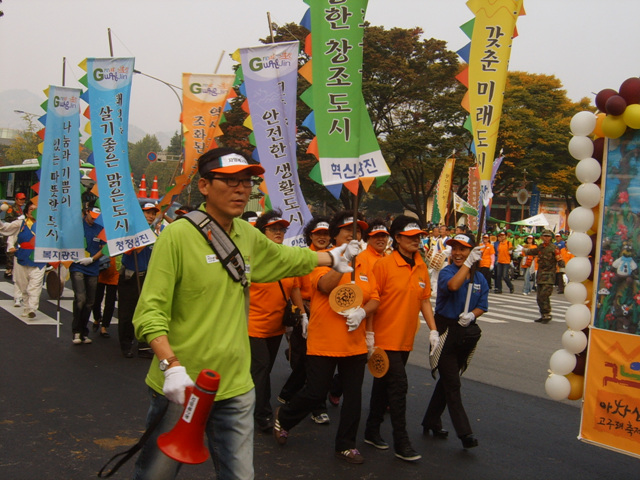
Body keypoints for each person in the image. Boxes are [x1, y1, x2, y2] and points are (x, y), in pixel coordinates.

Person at [131, 147, 355, 480]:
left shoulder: (247, 234)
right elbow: (149, 312)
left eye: (247, 182)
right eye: (231, 181)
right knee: (156, 473)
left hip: (235, 385)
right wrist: (171, 365)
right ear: (205, 185)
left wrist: (332, 257)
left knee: (240, 475)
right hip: (183, 384)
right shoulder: (177, 236)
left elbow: (283, 259)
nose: (241, 189)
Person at [273, 210, 379, 465]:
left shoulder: (364, 262)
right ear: (336, 235)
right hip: (325, 340)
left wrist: (363, 312)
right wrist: (343, 260)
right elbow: (323, 286)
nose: (355, 236)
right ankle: (285, 417)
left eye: (359, 233)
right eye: (349, 232)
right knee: (315, 392)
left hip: (353, 342)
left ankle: (346, 445)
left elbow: (375, 296)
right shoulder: (322, 259)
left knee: (353, 398)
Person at [364, 216, 439, 462]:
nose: (417, 240)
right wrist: (370, 335)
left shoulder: (420, 266)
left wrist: (433, 329)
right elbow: (373, 301)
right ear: (397, 239)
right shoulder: (383, 266)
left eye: (419, 236)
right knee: (398, 387)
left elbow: (424, 299)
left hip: (405, 338)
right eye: (411, 236)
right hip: (384, 339)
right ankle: (401, 441)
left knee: (383, 386)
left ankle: (371, 429)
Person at [422, 233, 488, 449]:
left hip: (464, 334)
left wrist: (472, 315)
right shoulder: (447, 271)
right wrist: (467, 265)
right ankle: (465, 433)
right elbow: (452, 286)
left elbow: (483, 305)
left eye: (464, 249)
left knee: (447, 381)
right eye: (455, 249)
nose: (458, 253)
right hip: (444, 332)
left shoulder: (480, 279)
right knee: (452, 383)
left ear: (472, 251)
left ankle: (431, 420)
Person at [248, 210, 304, 432]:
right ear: (262, 232)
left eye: (281, 229)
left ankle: (244, 399)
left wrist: (302, 313)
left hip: (276, 327)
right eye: (273, 229)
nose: (279, 233)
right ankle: (262, 414)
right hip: (251, 325)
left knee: (261, 371)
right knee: (261, 368)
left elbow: (295, 286)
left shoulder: (288, 255)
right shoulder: (251, 256)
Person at [278, 216, 332, 425]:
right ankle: (298, 394)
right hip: (306, 310)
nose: (322, 237)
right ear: (310, 234)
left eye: (326, 234)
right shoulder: (303, 255)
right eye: (318, 233)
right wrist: (302, 314)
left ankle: (313, 403)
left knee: (318, 359)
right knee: (305, 358)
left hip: (327, 312)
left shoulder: (336, 255)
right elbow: (296, 287)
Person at [118, 203, 158, 358]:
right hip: (130, 276)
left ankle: (143, 345)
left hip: (146, 275)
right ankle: (126, 344)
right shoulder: (131, 230)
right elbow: (130, 250)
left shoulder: (152, 231)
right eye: (147, 213)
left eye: (153, 213)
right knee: (127, 313)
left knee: (144, 311)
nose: (151, 216)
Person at [0, 200, 47, 318]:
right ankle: (27, 307)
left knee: (35, 286)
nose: (33, 212)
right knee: (23, 285)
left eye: (36, 210)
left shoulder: (46, 224)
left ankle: (32, 308)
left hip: (39, 259)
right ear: (26, 212)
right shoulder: (20, 223)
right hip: (22, 257)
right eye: (31, 209)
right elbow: (5, 228)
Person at [69, 207, 105, 345]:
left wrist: (92, 259)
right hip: (77, 266)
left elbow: (104, 248)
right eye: (92, 215)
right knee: (80, 298)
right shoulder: (77, 226)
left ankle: (84, 331)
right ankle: (76, 331)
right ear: (86, 212)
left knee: (90, 301)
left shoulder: (99, 228)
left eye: (97, 216)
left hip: (92, 267)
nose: (94, 218)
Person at [523, 229, 565, 323]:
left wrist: (563, 267)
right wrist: (523, 250)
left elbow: (560, 259)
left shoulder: (554, 248)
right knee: (539, 298)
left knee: (544, 296)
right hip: (541, 276)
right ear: (542, 237)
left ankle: (547, 314)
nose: (546, 238)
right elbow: (532, 251)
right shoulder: (541, 247)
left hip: (549, 276)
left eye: (548, 236)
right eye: (545, 236)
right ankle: (543, 314)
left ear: (551, 238)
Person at [92, 255, 119, 338]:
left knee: (110, 302)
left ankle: (104, 327)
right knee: (96, 300)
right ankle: (97, 318)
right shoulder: (101, 243)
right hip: (101, 272)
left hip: (115, 274)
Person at [4, 192, 26, 278]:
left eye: (23, 199)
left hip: (18, 232)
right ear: (16, 200)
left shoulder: (22, 209)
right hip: (11, 231)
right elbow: (7, 219)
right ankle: (8, 270)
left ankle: (12, 269)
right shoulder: (11, 208)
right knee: (10, 250)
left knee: (16, 249)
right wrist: (17, 218)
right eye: (20, 199)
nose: (22, 201)